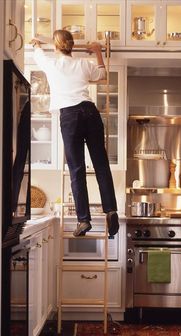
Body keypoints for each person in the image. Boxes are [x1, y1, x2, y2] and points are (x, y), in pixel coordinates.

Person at [31, 29, 119, 237]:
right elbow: (102, 74)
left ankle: (83, 220)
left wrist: (37, 43)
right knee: (101, 164)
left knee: (76, 168)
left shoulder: (51, 63)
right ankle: (111, 209)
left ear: (55, 46)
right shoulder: (82, 64)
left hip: (69, 116)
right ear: (71, 46)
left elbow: (36, 49)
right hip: (90, 111)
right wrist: (97, 50)